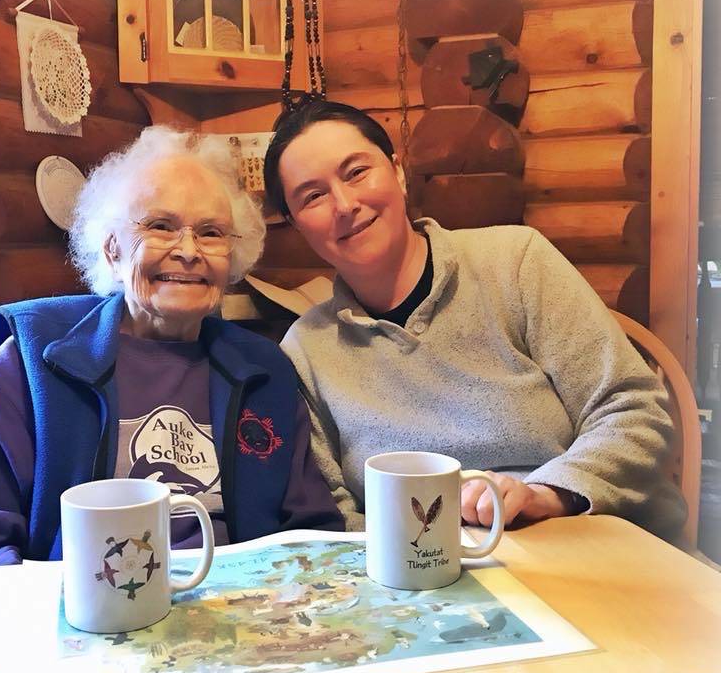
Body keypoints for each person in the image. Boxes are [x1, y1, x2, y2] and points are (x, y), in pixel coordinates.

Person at [0, 126, 343, 571]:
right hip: (84, 616)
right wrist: (50, 613)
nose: (189, 251)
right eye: (160, 226)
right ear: (112, 249)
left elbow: (310, 531)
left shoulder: (264, 371)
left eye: (211, 232)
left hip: (242, 615)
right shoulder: (37, 357)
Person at [262, 101, 686, 539]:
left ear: (398, 172)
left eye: (356, 172)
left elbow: (635, 411)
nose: (345, 204)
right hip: (421, 584)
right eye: (313, 196)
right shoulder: (306, 350)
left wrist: (546, 494)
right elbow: (334, 509)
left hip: (581, 542)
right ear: (296, 225)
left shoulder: (515, 262)